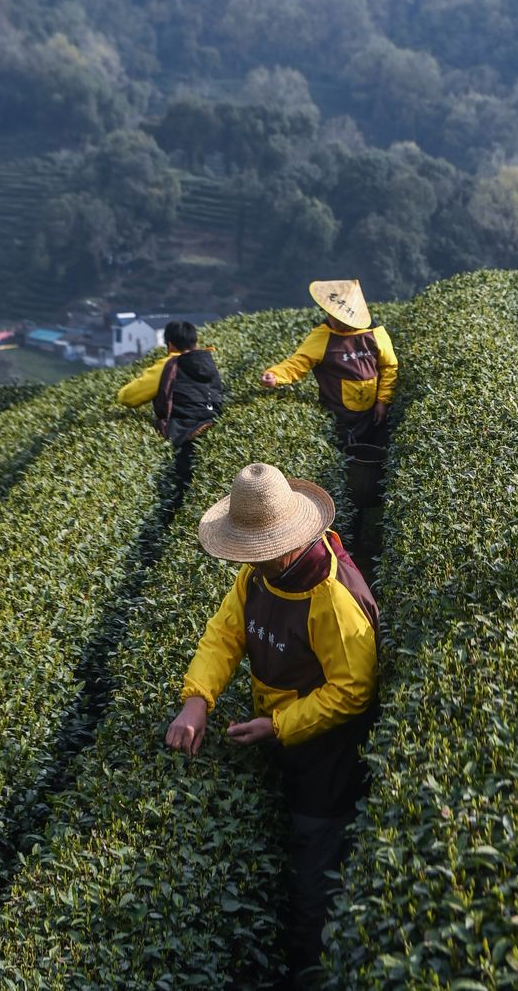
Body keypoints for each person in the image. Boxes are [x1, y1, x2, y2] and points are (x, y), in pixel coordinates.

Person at [165, 461, 379, 982]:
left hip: (326, 753)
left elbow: (352, 691)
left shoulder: (333, 596)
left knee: (314, 855)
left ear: (287, 541)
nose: (249, 562)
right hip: (279, 726)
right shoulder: (261, 573)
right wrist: (198, 698)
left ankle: (312, 965)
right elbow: (226, 632)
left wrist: (279, 726)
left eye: (255, 551)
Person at [260, 280, 397, 449]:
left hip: (371, 411)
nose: (337, 323)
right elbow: (298, 362)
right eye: (333, 317)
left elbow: (389, 367)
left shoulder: (375, 333)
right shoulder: (323, 336)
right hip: (338, 414)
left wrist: (383, 401)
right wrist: (275, 375)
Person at [117, 319, 224, 485]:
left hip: (182, 429)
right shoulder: (208, 361)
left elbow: (127, 398)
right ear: (196, 342)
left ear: (170, 344)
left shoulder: (169, 364)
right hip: (212, 420)